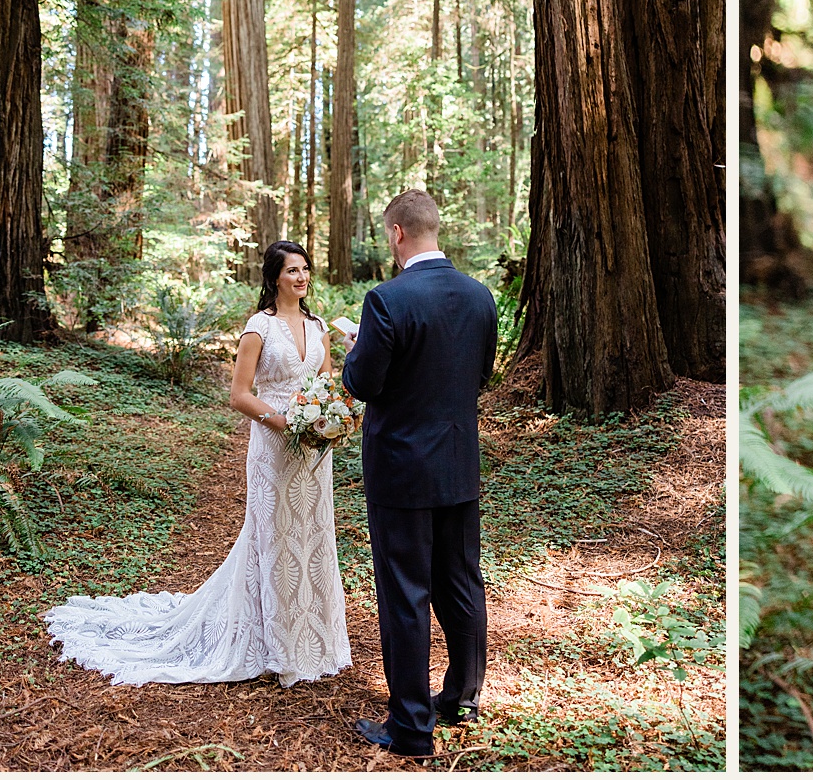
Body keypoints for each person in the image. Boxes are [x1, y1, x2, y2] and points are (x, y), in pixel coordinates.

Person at [44, 241, 352, 687]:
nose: (301, 278)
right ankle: (273, 642)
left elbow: (324, 385)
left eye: (305, 269)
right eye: (291, 271)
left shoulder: (319, 326)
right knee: (273, 536)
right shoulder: (257, 328)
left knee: (312, 532)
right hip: (273, 443)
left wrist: (330, 419)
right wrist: (282, 421)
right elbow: (239, 395)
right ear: (274, 278)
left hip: (312, 450)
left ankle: (313, 639)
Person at [343, 189, 499, 757]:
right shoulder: (480, 297)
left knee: (405, 593)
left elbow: (361, 384)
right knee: (461, 582)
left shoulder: (387, 300)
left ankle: (411, 728)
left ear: (397, 234)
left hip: (402, 472)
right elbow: (480, 374)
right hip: (459, 465)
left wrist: (357, 348)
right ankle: (462, 697)